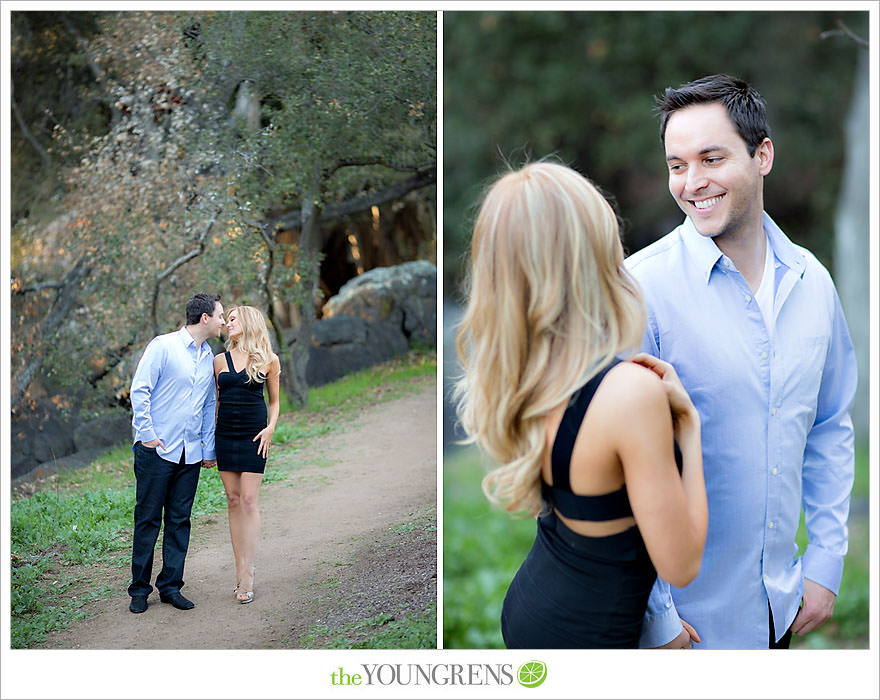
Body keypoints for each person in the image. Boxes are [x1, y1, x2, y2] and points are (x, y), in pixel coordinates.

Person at [627, 74, 857, 649]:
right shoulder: (639, 289)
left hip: (780, 611)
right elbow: (617, 469)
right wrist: (658, 620)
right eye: (677, 165)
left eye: (711, 158)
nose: (692, 183)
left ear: (763, 156)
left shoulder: (814, 282)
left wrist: (826, 561)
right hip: (684, 631)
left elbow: (830, 427)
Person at [453, 162, 708, 648]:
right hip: (587, 636)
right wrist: (689, 429)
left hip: (534, 610)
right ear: (587, 255)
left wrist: (659, 625)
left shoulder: (528, 375)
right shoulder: (630, 393)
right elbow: (682, 563)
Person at [128, 293, 225, 613]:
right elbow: (139, 390)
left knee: (180, 521)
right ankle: (139, 590)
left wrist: (208, 448)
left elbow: (209, 404)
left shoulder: (208, 354)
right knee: (148, 520)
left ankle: (170, 586)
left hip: (190, 454)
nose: (224, 321)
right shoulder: (163, 346)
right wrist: (147, 436)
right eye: (221, 315)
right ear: (205, 318)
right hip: (157, 450)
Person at [211, 305, 281, 604]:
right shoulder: (217, 361)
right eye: (226, 319)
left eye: (232, 318)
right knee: (233, 500)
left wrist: (270, 429)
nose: (227, 323)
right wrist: (208, 442)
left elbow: (275, 402)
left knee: (250, 501)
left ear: (249, 322)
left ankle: (248, 574)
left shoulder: (268, 360)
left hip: (255, 436)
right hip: (225, 436)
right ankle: (239, 570)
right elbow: (215, 401)